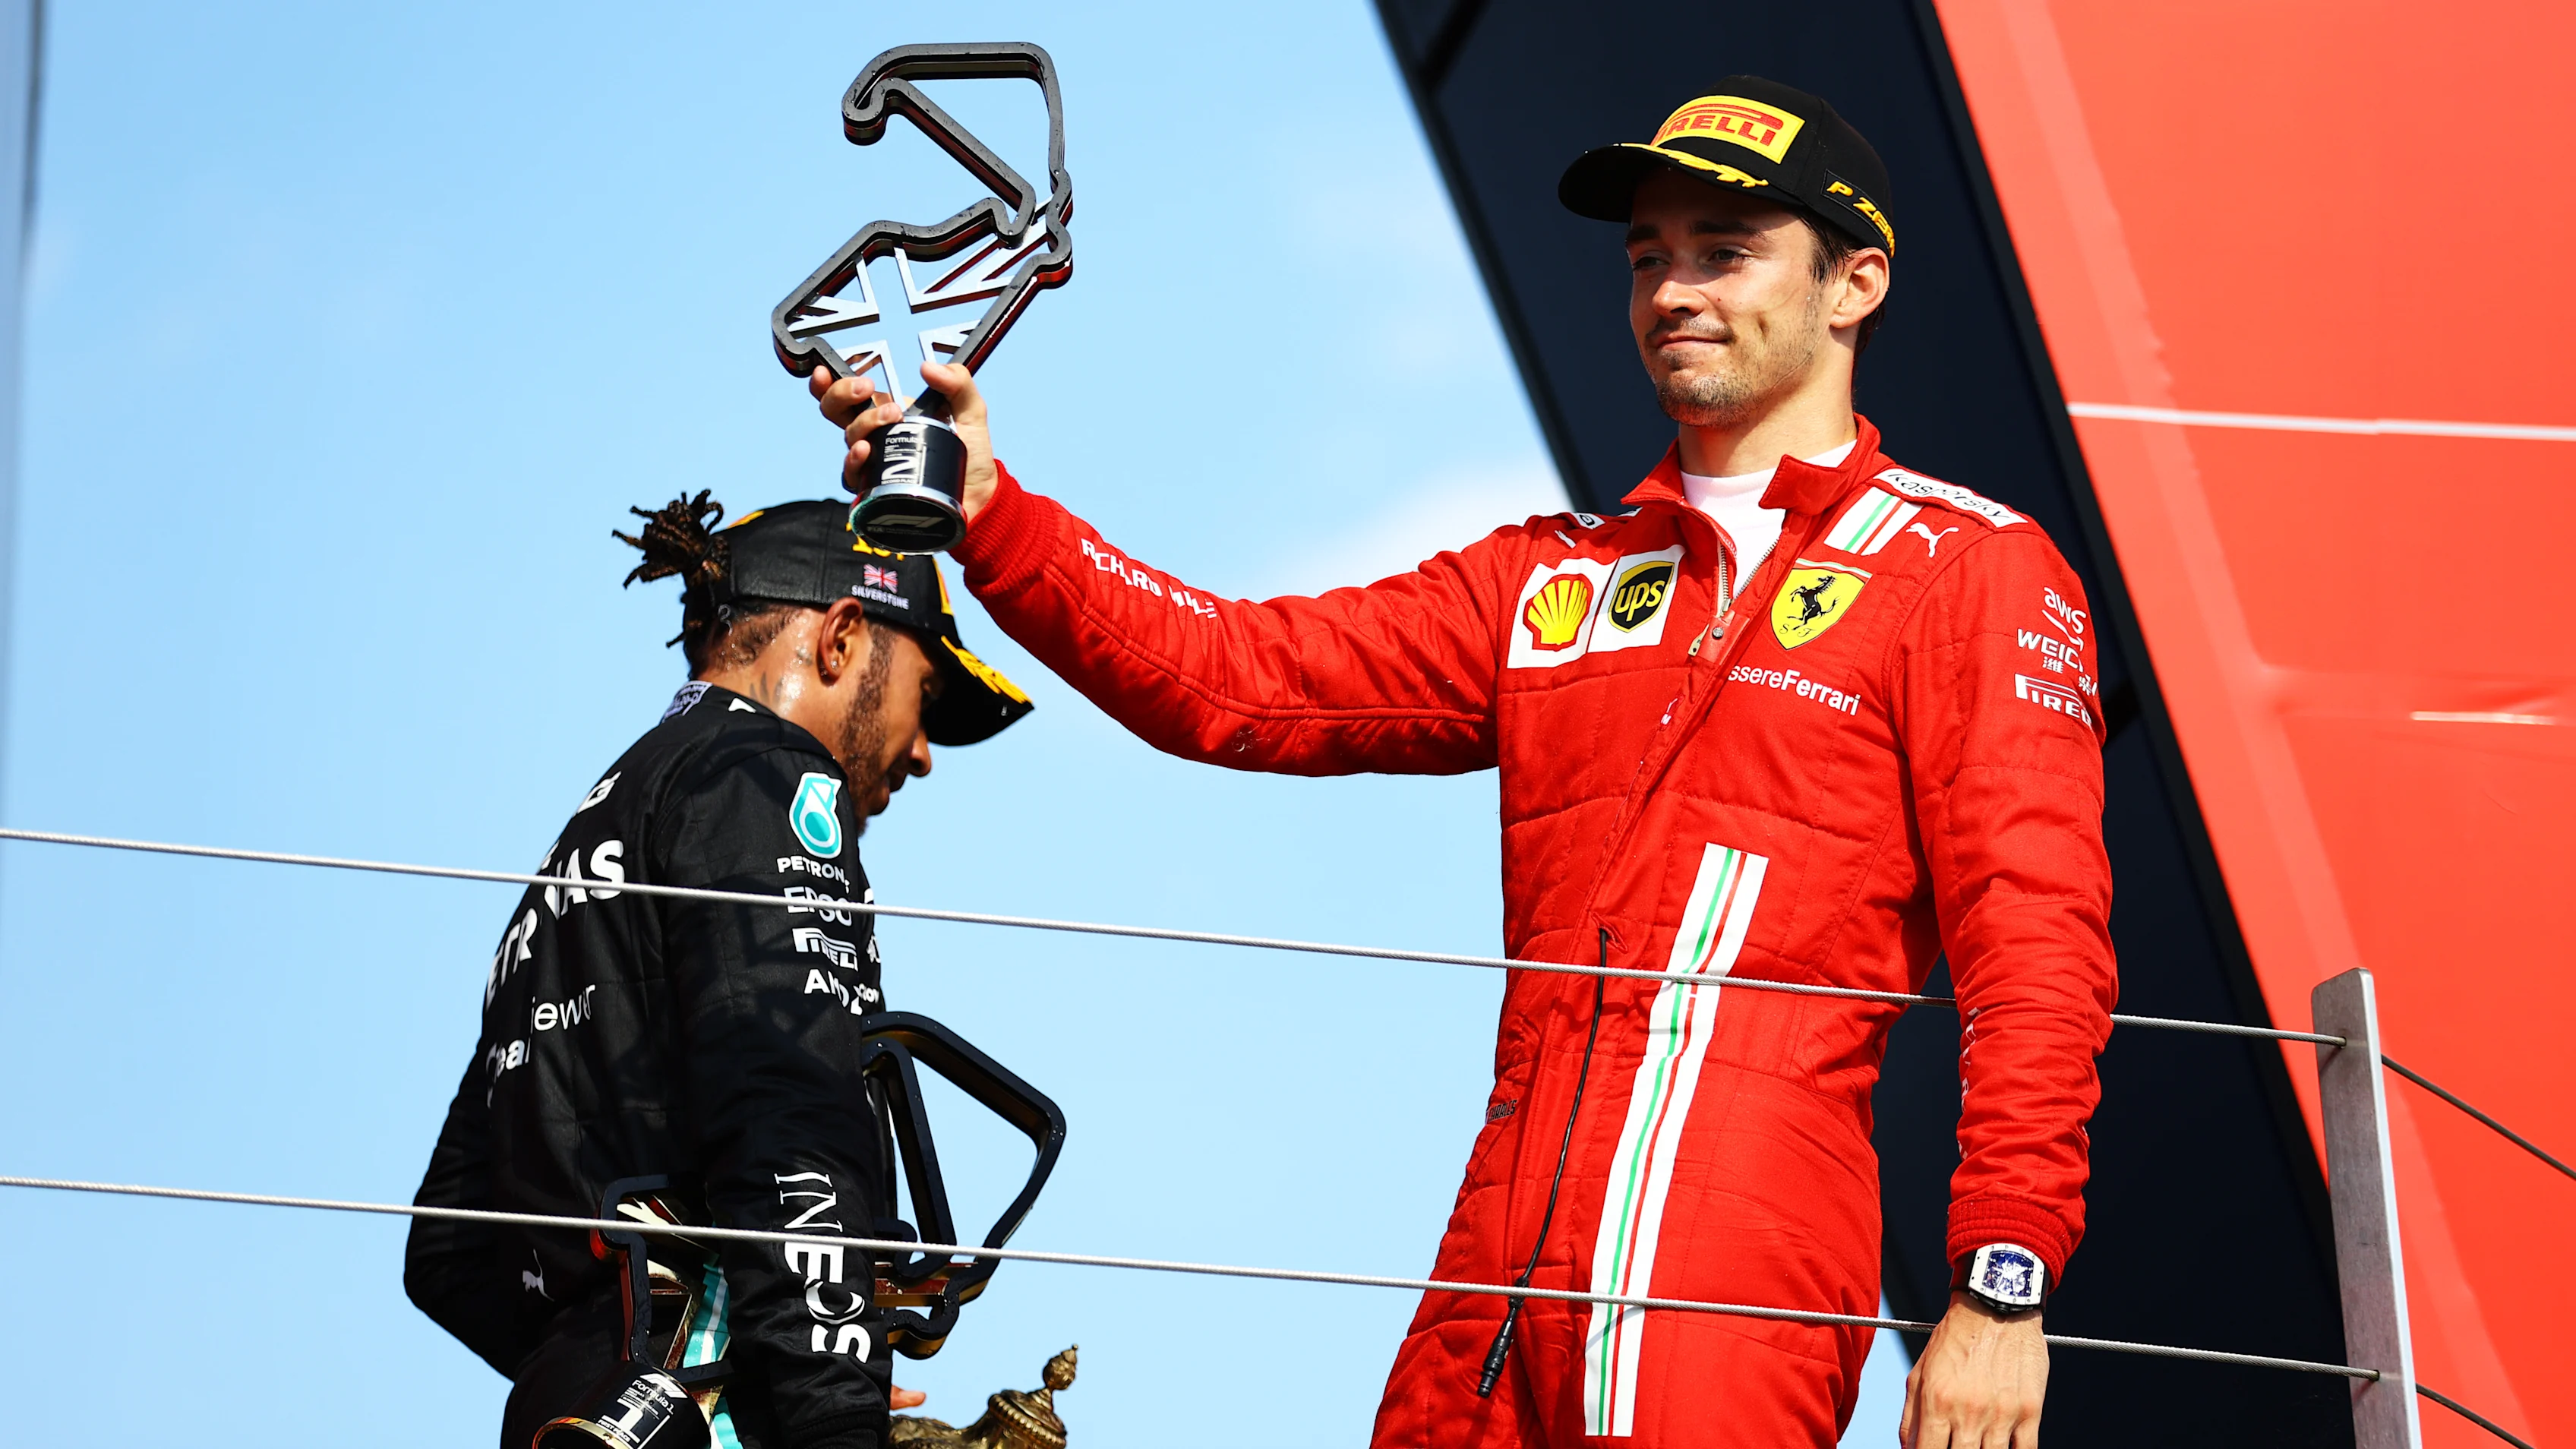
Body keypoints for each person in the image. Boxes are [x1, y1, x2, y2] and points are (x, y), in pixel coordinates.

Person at [816, 74, 2114, 1449]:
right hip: (1493, 1254)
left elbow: (2037, 949)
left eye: (1724, 253)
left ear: (1853, 284)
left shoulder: (1971, 569)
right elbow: (1237, 680)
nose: (1673, 289)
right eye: (1646, 258)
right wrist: (996, 516)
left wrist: (2000, 1283)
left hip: (1735, 1244)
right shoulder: (1550, 578)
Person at [405, 492, 1033, 1449]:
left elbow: (449, 1249)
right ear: (843, 637)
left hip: (576, 1414)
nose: (920, 753)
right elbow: (789, 1114)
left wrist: (606, 1364)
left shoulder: (595, 829)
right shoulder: (765, 777)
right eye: (926, 695)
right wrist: (824, 1399)